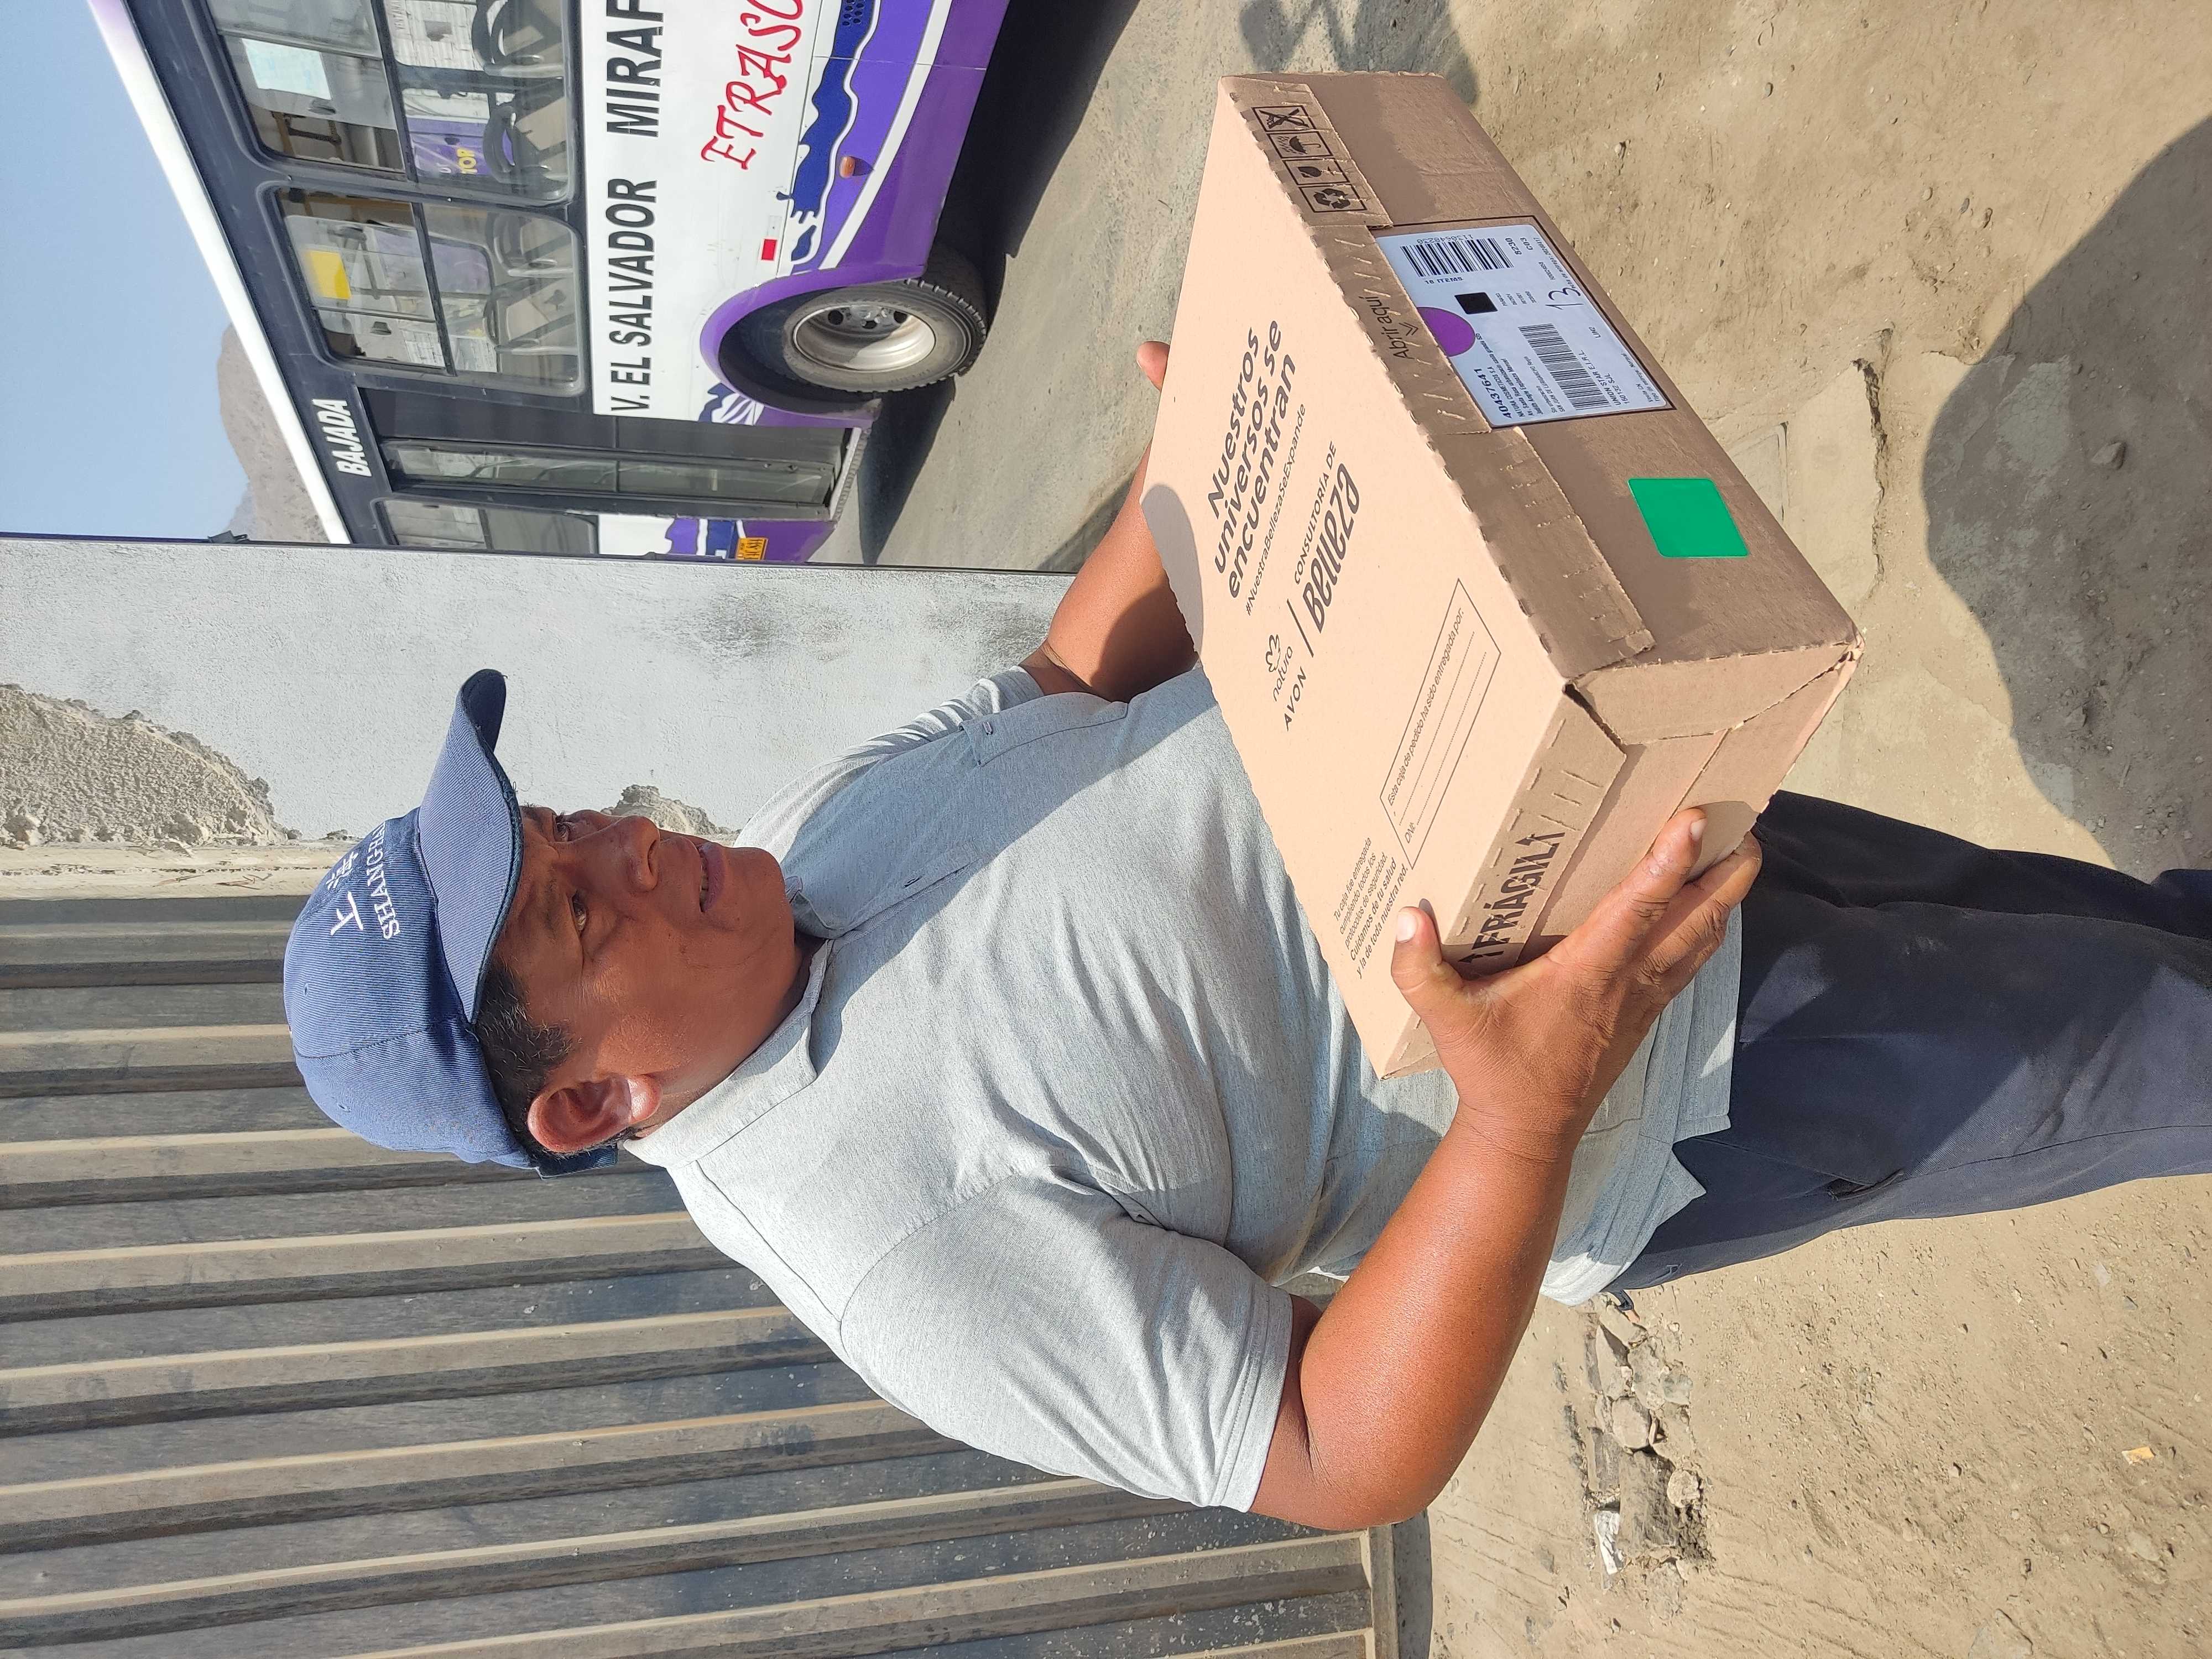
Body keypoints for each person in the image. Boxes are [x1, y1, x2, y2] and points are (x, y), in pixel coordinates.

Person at [284, 343, 2212, 1530]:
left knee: (2103, 930)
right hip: (1678, 1084)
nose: (629, 842)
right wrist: (1522, 1118)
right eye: (576, 904)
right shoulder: (896, 1254)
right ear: (589, 1102)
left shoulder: (806, 844)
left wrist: (1219, 433)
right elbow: (1324, 1451)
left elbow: (1068, 681)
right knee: (2150, 1047)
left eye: (565, 822)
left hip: (1633, 827)